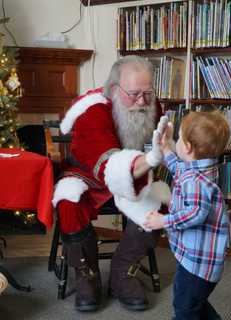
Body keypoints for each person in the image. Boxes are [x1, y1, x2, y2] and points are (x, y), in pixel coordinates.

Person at [52, 55, 170, 312]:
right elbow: (109, 166)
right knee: (69, 201)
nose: (142, 102)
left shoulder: (150, 104)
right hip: (90, 175)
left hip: (134, 173)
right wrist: (151, 158)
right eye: (134, 93)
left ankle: (122, 273)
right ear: (115, 89)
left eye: (148, 93)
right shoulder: (92, 110)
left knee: (161, 200)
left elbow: (161, 146)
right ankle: (87, 274)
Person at [144, 111, 230, 320]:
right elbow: (179, 169)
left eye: (179, 139)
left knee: (184, 306)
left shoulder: (195, 182)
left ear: (188, 147)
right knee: (194, 304)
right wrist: (166, 149)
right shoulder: (203, 169)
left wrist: (162, 221)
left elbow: (195, 213)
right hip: (200, 261)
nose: (177, 142)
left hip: (197, 266)